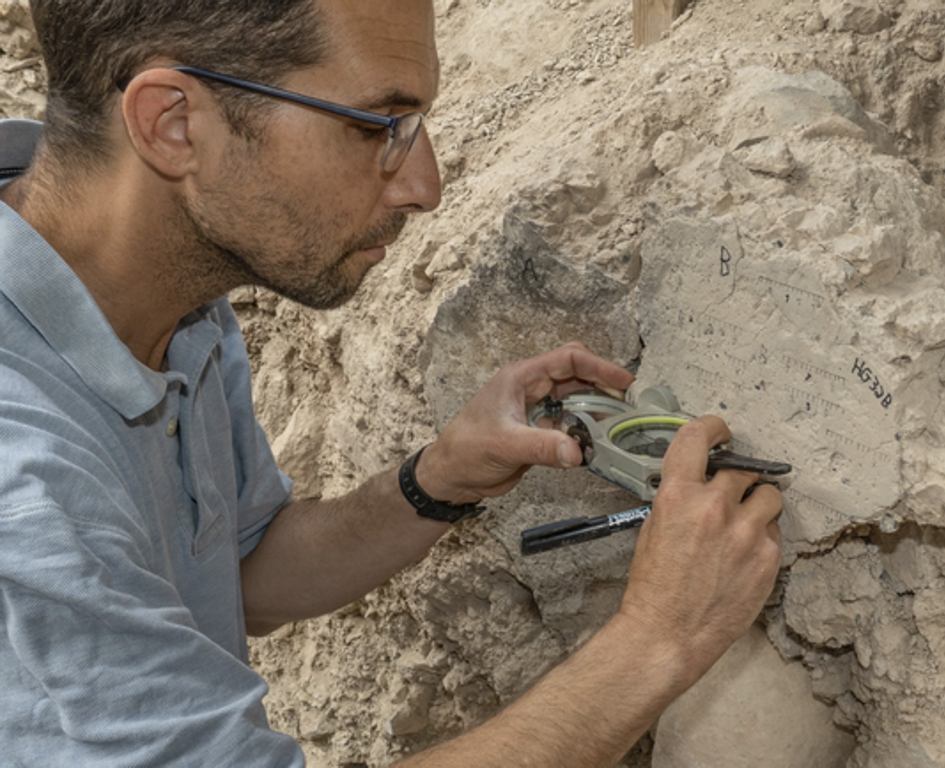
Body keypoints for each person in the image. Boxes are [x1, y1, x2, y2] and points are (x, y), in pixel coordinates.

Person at [0, 0, 784, 765]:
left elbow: (241, 576)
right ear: (173, 123)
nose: (424, 186)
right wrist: (657, 640)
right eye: (379, 125)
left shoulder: (174, 298)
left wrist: (438, 479)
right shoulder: (27, 486)